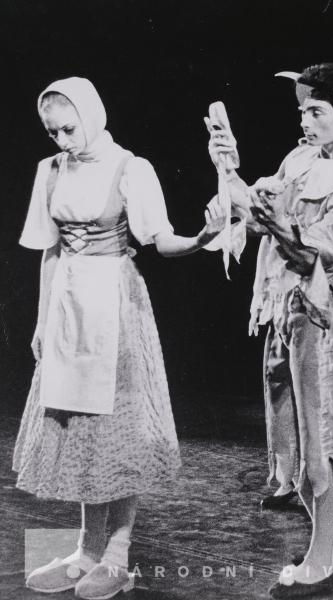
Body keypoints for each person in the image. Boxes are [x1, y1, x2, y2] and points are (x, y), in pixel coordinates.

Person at [14, 77, 225, 600]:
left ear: (91, 116)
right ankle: (86, 549)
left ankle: (117, 554)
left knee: (120, 428)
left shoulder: (131, 168)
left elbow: (161, 240)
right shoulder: (50, 170)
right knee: (83, 430)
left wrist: (202, 238)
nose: (62, 140)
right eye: (53, 132)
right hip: (69, 308)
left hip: (115, 303)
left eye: (69, 129)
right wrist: (41, 320)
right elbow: (50, 251)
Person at [207, 62, 333, 597]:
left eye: (317, 112)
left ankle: (321, 561)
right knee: (288, 436)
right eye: (303, 111)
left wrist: (278, 223)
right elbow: (256, 211)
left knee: (320, 438)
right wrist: (228, 170)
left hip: (323, 315)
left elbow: (317, 250)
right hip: (286, 308)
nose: (305, 121)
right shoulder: (301, 159)